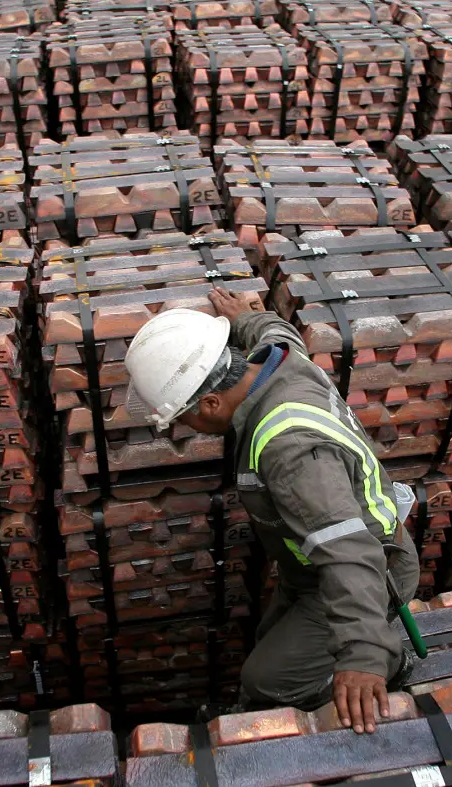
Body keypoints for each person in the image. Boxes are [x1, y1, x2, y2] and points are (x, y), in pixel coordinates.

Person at [124, 287, 420, 734]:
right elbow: (275, 330)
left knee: (267, 678)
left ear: (210, 403)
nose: (183, 430)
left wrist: (363, 654)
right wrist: (243, 318)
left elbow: (348, 550)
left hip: (372, 573)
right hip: (310, 573)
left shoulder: (289, 450)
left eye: (182, 418)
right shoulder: (278, 363)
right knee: (269, 641)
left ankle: (391, 662)